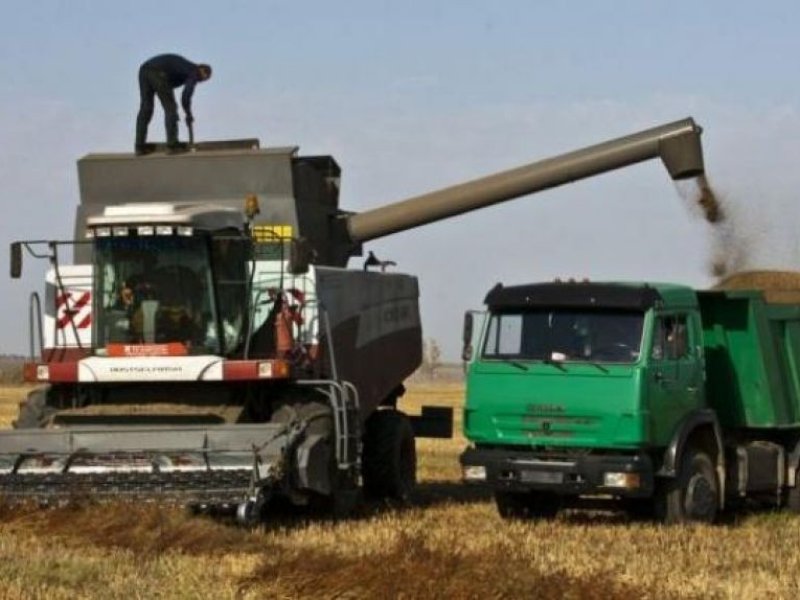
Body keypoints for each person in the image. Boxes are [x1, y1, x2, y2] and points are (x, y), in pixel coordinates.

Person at [135, 54, 212, 154]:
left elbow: (171, 87)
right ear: (201, 70)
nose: (200, 81)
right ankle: (172, 145)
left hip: (144, 70)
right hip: (157, 72)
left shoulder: (184, 68)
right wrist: (188, 113)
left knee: (146, 108)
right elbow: (186, 95)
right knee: (170, 108)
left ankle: (139, 146)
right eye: (203, 78)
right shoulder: (194, 71)